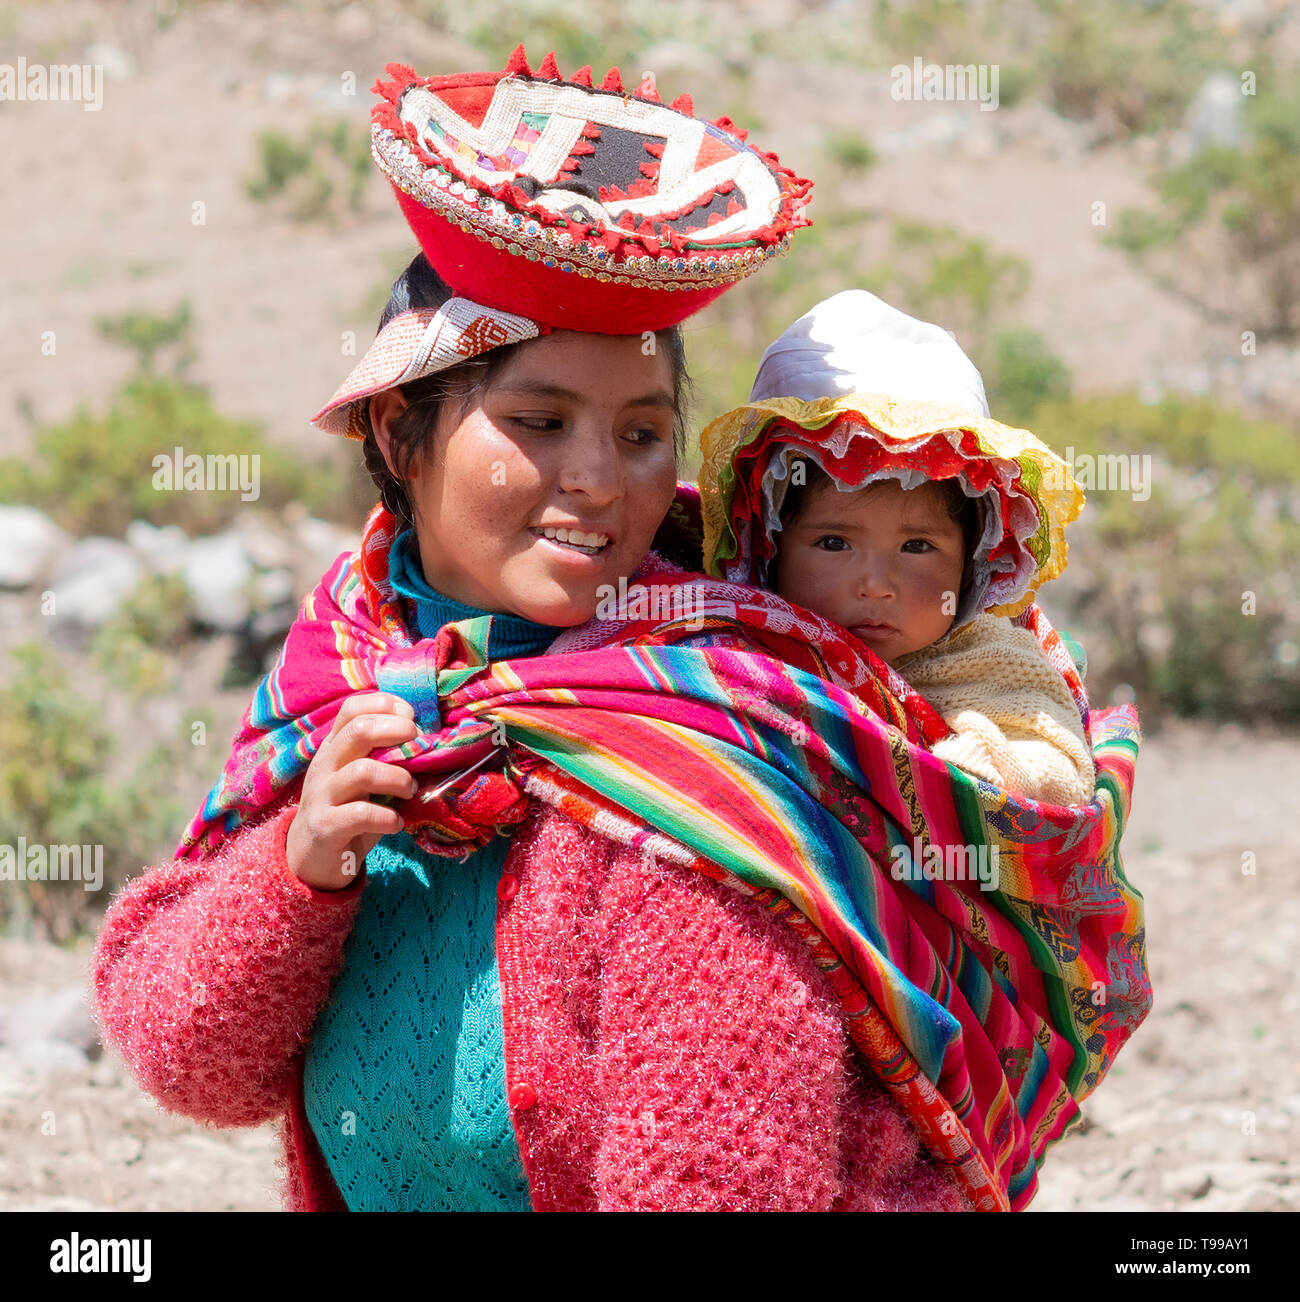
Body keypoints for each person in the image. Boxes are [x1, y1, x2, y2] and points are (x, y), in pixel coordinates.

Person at [92, 50, 971, 1212]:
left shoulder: (701, 747)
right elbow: (187, 1064)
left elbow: (713, 1180)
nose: (599, 481)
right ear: (404, 428)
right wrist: (300, 871)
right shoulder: (344, 673)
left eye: (644, 430)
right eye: (539, 420)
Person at [699, 289, 1095, 806]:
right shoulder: (729, 654)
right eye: (834, 542)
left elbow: (1058, 767)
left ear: (973, 560)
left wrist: (959, 775)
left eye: (916, 547)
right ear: (768, 544)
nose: (876, 585)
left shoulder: (991, 660)